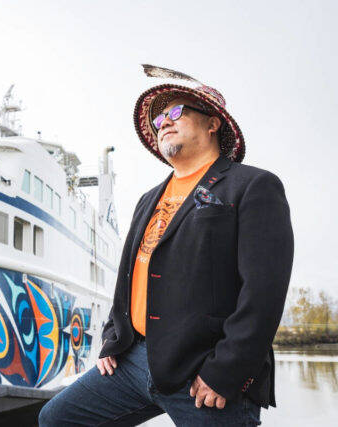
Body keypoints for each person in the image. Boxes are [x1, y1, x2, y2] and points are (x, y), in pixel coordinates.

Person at [38, 73, 294, 426]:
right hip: (133, 360)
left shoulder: (253, 185)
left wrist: (227, 370)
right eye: (157, 121)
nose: (163, 124)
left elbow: (264, 292)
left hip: (205, 369)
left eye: (175, 112)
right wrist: (114, 337)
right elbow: (130, 274)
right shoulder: (148, 199)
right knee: (57, 418)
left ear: (212, 123)